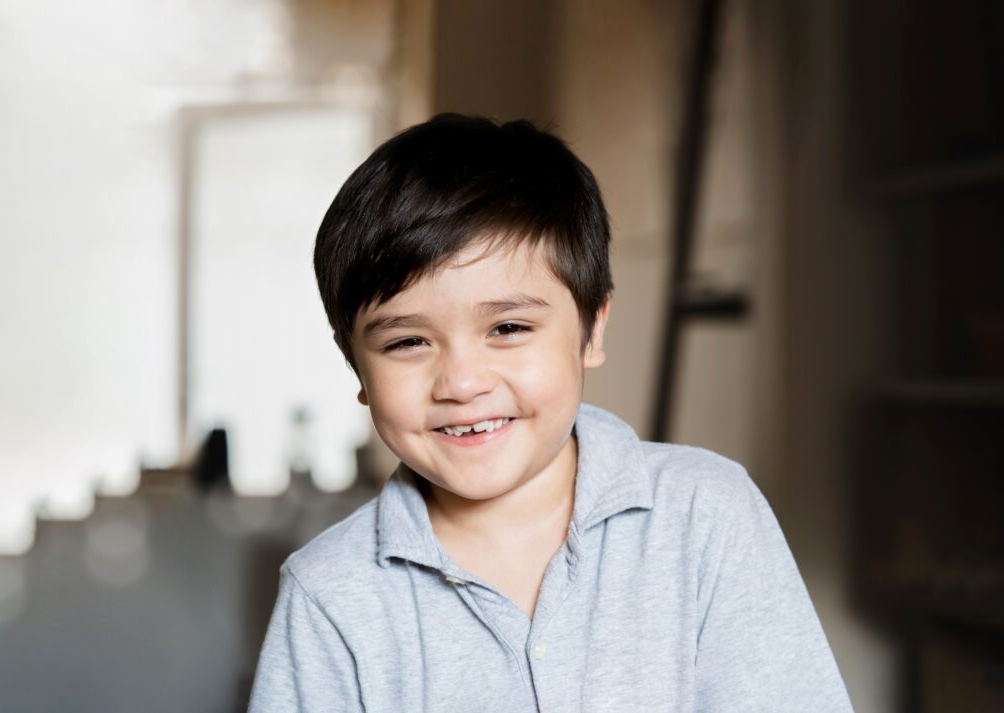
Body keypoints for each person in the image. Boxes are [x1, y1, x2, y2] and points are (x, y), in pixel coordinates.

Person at [248, 114, 854, 712]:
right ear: (356, 364)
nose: (461, 383)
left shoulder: (705, 516)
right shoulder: (328, 592)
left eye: (508, 328)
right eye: (407, 342)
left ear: (591, 331)